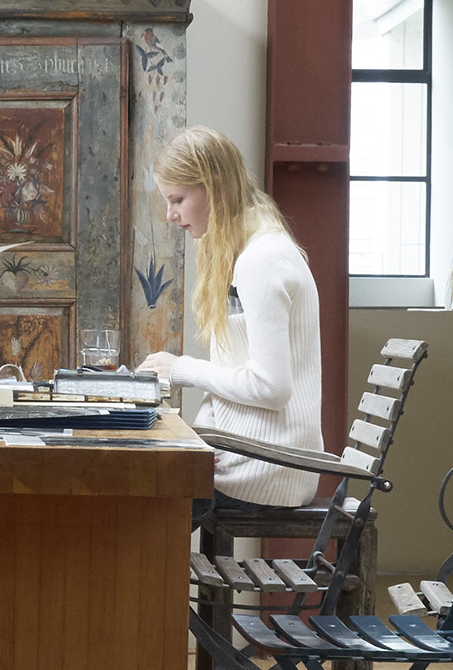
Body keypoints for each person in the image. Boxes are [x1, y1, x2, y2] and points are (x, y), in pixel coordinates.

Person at [137, 126, 326, 517]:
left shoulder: (262, 259)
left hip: (268, 467)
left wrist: (182, 369)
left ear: (214, 187)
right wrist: (203, 442)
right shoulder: (246, 251)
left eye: (178, 199)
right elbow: (236, 379)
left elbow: (272, 388)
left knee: (133, 515)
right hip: (245, 457)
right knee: (132, 503)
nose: (171, 215)